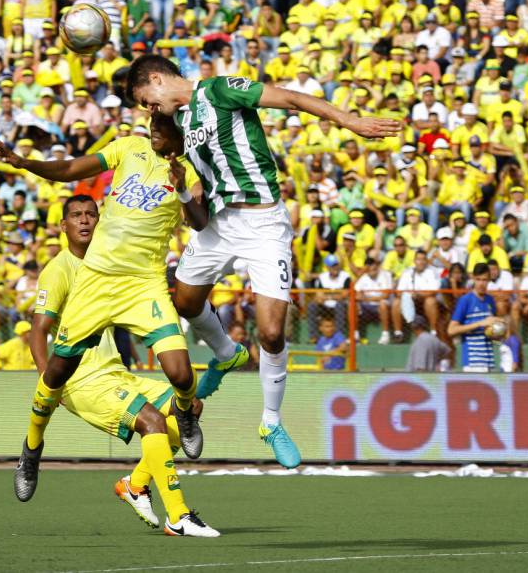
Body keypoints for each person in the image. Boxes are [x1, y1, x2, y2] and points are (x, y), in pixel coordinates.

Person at [124, 53, 400, 468]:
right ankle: (225, 352)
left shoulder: (218, 90)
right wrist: (183, 189)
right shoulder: (181, 124)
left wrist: (349, 121)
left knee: (271, 333)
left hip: (264, 222)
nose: (148, 109)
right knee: (184, 301)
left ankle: (271, 421)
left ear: (158, 79)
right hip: (219, 226)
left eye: (145, 99)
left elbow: (288, 98)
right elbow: (196, 211)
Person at [0, 114, 208, 494]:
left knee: (182, 376)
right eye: (150, 123)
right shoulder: (128, 147)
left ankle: (185, 416)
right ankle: (32, 448)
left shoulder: (190, 169)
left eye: (160, 125)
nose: (152, 129)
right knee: (55, 375)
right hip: (98, 279)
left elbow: (201, 222)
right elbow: (73, 168)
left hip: (144, 283)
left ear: (178, 130)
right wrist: (27, 163)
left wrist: (183, 192)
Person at [11, 193, 220, 537]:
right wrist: (49, 382)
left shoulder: (108, 263)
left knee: (190, 407)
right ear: (63, 225)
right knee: (152, 421)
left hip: (116, 372)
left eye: (91, 214)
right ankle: (178, 516)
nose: (84, 220)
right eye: (76, 215)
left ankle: (135, 485)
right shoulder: (59, 270)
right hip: (82, 380)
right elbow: (39, 330)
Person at [447, 262, 504, 372]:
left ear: (489, 280)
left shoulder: (490, 300)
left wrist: (498, 329)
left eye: (484, 280)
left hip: (489, 360)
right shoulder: (465, 300)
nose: (481, 283)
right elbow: (451, 330)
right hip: (473, 362)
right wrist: (480, 323)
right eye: (478, 279)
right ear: (473, 279)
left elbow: (489, 331)